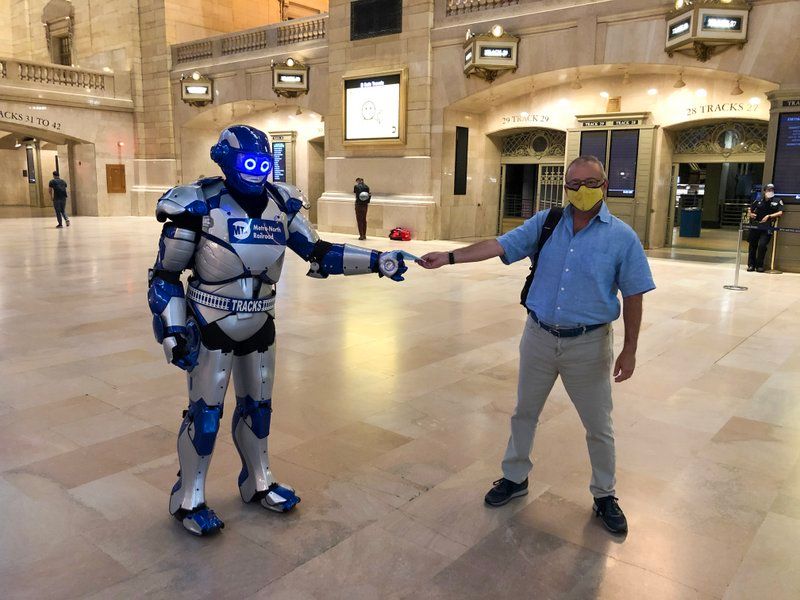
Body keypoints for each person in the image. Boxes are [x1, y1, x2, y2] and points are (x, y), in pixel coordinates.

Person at [147, 125, 409, 536]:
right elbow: (164, 276)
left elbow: (318, 253)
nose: (255, 171)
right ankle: (188, 498)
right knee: (206, 415)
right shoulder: (196, 203)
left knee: (259, 410)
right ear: (224, 160)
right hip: (210, 322)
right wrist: (173, 329)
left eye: (262, 163)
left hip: (261, 320)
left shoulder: (280, 205)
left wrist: (378, 260)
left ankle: (258, 480)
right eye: (246, 163)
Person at [418, 155, 655, 534]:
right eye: (573, 184)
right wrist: (448, 257)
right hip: (539, 336)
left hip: (588, 345)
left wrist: (630, 349)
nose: (581, 191)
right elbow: (498, 245)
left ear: (605, 186)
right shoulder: (546, 224)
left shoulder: (621, 237)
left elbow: (635, 294)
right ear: (565, 187)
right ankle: (515, 478)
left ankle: (604, 495)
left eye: (590, 182)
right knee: (524, 412)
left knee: (598, 425)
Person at [747, 183, 784, 272]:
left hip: (767, 226)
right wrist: (750, 214)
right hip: (756, 225)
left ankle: (760, 265)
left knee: (762, 245)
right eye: (768, 190)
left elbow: (780, 212)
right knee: (752, 245)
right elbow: (750, 208)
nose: (770, 192)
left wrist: (769, 216)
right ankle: (751, 265)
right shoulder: (758, 200)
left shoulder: (777, 200)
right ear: (764, 191)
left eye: (772, 190)